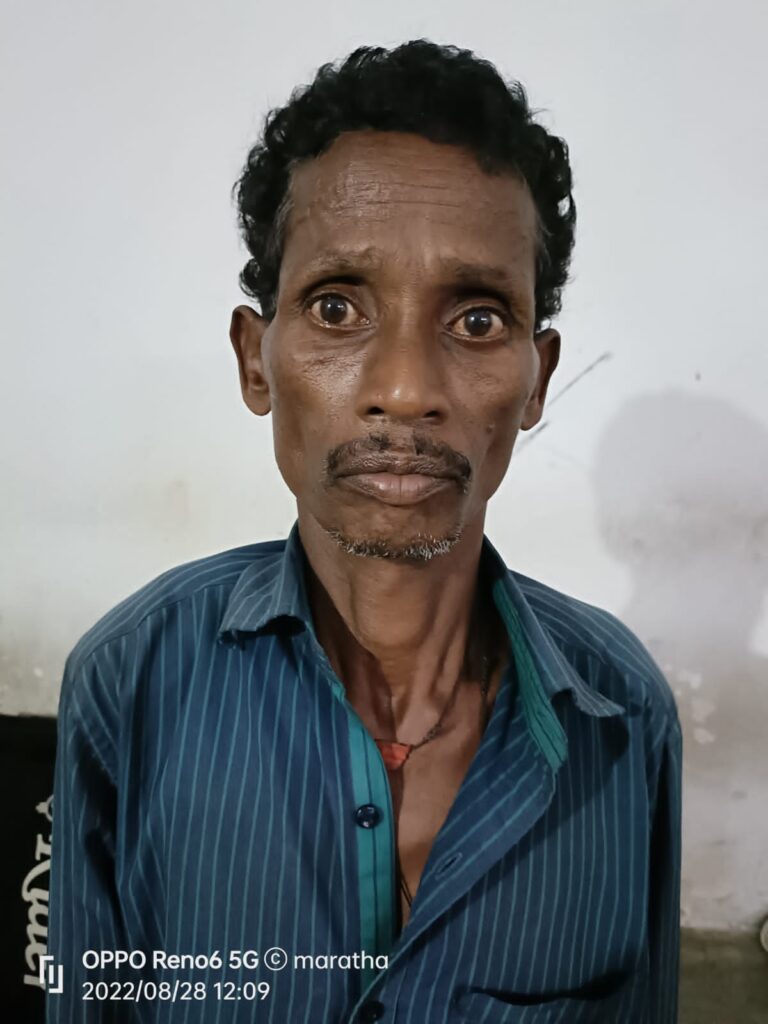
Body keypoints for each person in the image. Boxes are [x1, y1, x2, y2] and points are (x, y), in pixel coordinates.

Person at [47, 39, 682, 1024]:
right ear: (255, 361)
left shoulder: (625, 714)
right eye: (337, 307)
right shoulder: (131, 678)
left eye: (477, 320)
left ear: (537, 382)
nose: (405, 387)